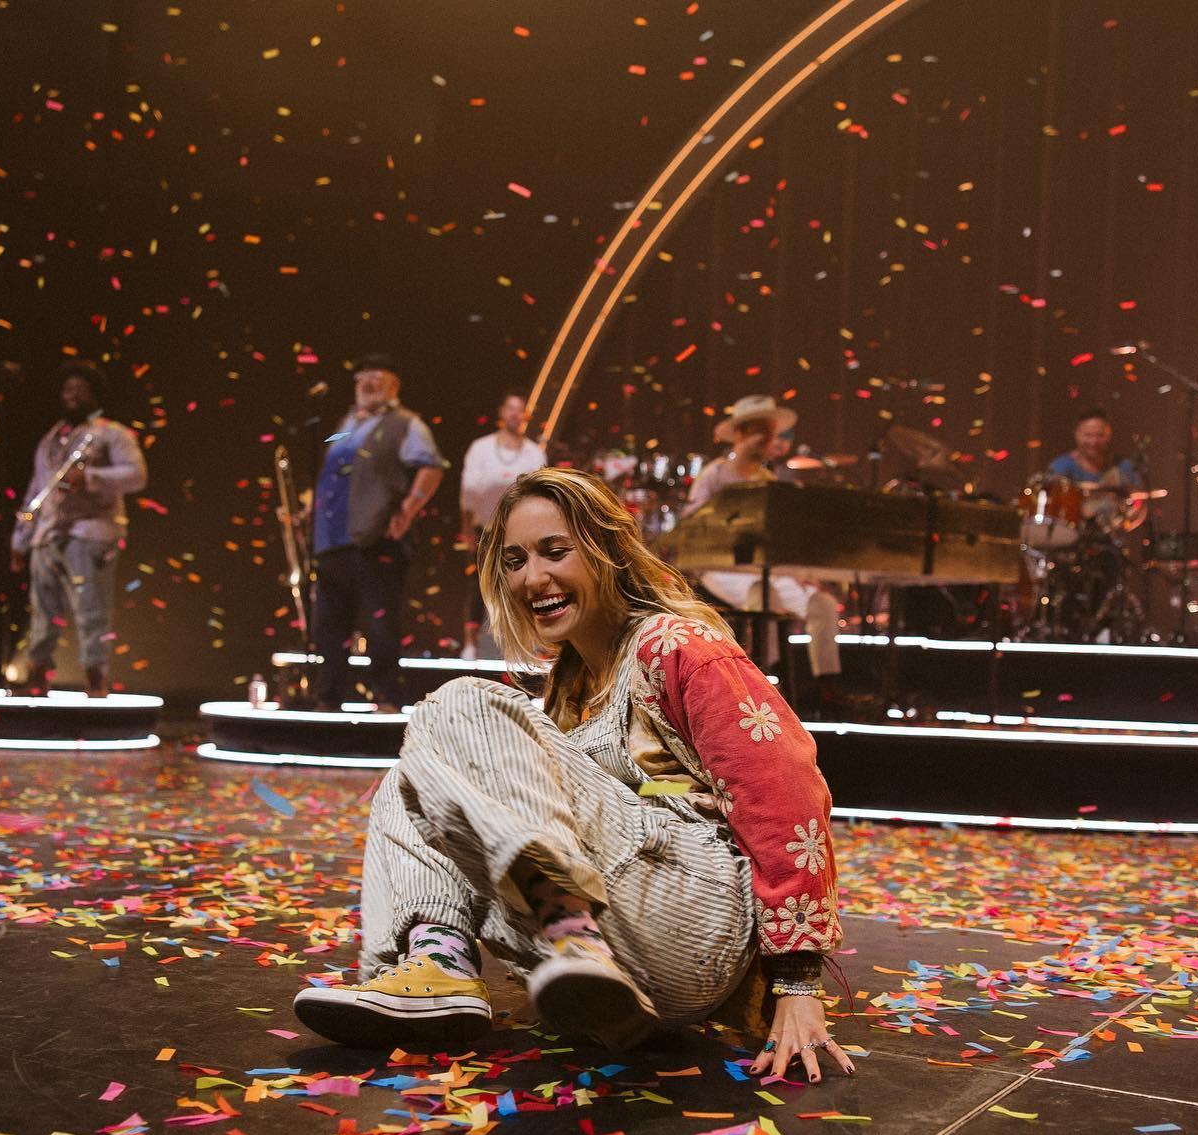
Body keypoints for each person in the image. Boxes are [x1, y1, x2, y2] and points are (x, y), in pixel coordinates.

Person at [294, 467, 854, 1086]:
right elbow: (626, 789)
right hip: (629, 949)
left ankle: (570, 931)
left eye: (554, 551)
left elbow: (784, 788)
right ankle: (440, 962)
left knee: (458, 705)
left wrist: (799, 982)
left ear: (605, 552)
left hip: (698, 918)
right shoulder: (567, 683)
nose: (532, 578)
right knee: (412, 779)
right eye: (513, 561)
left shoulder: (678, 647)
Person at [309, 354, 447, 710]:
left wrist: (408, 509)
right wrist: (308, 512)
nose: (368, 385)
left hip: (376, 539)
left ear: (393, 386)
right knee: (329, 625)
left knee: (380, 622)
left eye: (377, 379)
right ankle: (329, 696)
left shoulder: (406, 424)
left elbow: (431, 467)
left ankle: (386, 695)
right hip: (332, 542)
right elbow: (332, 470)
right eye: (362, 379)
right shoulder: (345, 425)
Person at [684, 394, 844, 695]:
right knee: (763, 594)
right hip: (722, 569)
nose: (771, 441)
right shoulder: (715, 475)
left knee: (822, 604)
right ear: (744, 434)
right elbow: (691, 526)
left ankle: (825, 686)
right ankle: (767, 681)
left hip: (766, 569)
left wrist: (798, 571)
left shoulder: (768, 479)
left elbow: (781, 536)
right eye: (764, 433)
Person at [11, 360, 147, 697]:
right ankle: (37, 675)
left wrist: (90, 478)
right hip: (47, 535)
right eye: (67, 389)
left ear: (94, 396)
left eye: (80, 390)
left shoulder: (112, 433)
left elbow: (137, 476)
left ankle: (96, 678)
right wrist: (20, 540)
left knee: (91, 610)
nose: (72, 395)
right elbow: (35, 492)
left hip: (90, 533)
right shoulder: (49, 440)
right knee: (43, 612)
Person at [458, 388, 546, 660]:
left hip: (523, 531)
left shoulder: (533, 453)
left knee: (525, 583)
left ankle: (530, 641)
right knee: (480, 585)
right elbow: (468, 491)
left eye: (520, 410)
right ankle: (470, 644)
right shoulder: (482, 448)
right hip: (486, 527)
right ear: (502, 412)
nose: (515, 415)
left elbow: (541, 490)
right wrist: (466, 528)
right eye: (511, 408)